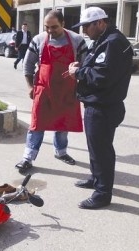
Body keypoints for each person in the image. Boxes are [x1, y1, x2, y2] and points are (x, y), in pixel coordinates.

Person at [68, 7, 134, 209]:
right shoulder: (104, 40)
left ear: (100, 23)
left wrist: (78, 72)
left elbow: (102, 77)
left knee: (102, 150)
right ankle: (96, 179)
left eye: (87, 26)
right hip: (98, 104)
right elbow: (96, 66)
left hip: (103, 106)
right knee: (95, 147)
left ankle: (103, 193)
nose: (84, 30)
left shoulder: (113, 42)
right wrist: (82, 67)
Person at [15, 10, 88, 173]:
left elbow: (86, 65)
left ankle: (61, 152)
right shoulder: (38, 40)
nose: (50, 31)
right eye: (47, 27)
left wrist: (79, 69)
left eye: (54, 27)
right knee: (37, 124)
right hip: (43, 90)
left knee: (63, 125)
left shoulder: (77, 41)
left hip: (67, 91)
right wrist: (30, 87)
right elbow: (27, 65)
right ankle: (28, 157)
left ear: (63, 24)